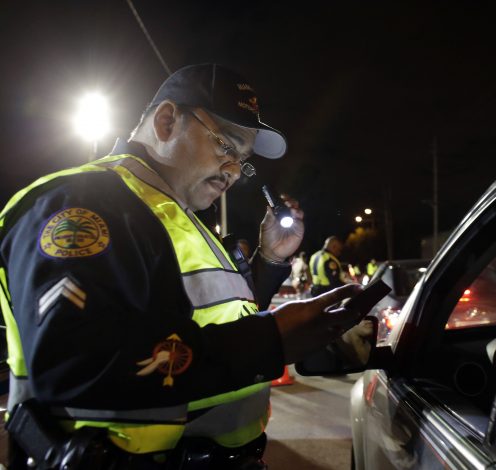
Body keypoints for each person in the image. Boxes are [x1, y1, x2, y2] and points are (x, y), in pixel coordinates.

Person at [0, 63, 365, 469]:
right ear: (167, 120)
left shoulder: (175, 216)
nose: (232, 171)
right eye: (226, 145)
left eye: (241, 161)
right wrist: (271, 339)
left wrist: (271, 261)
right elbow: (75, 365)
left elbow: (206, 320)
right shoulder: (83, 204)